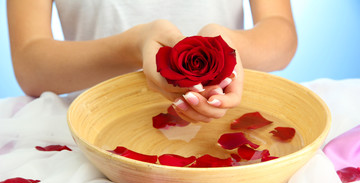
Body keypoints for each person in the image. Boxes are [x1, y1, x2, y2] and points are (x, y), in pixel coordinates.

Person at [7, 0, 297, 123]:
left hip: (222, 126)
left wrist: (227, 44)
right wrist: (132, 47)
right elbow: (29, 65)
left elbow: (281, 33)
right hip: (99, 126)